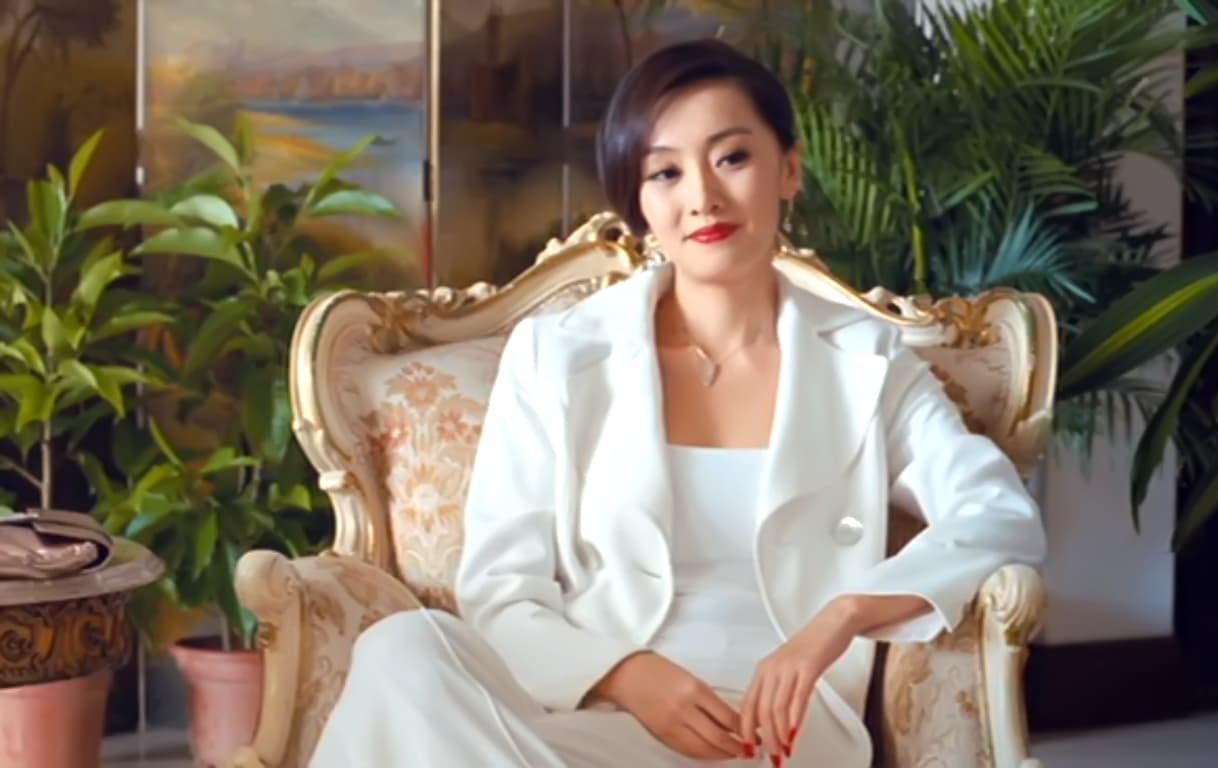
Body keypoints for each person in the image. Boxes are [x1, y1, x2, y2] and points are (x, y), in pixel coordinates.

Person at [309, 38, 1046, 768]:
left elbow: (996, 514)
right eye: (665, 171)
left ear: (789, 169)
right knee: (403, 647)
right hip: (590, 713)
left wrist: (843, 616)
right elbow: (501, 590)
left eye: (732, 157)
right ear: (638, 201)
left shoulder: (867, 361)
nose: (702, 198)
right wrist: (627, 675)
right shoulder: (557, 355)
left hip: (774, 728)